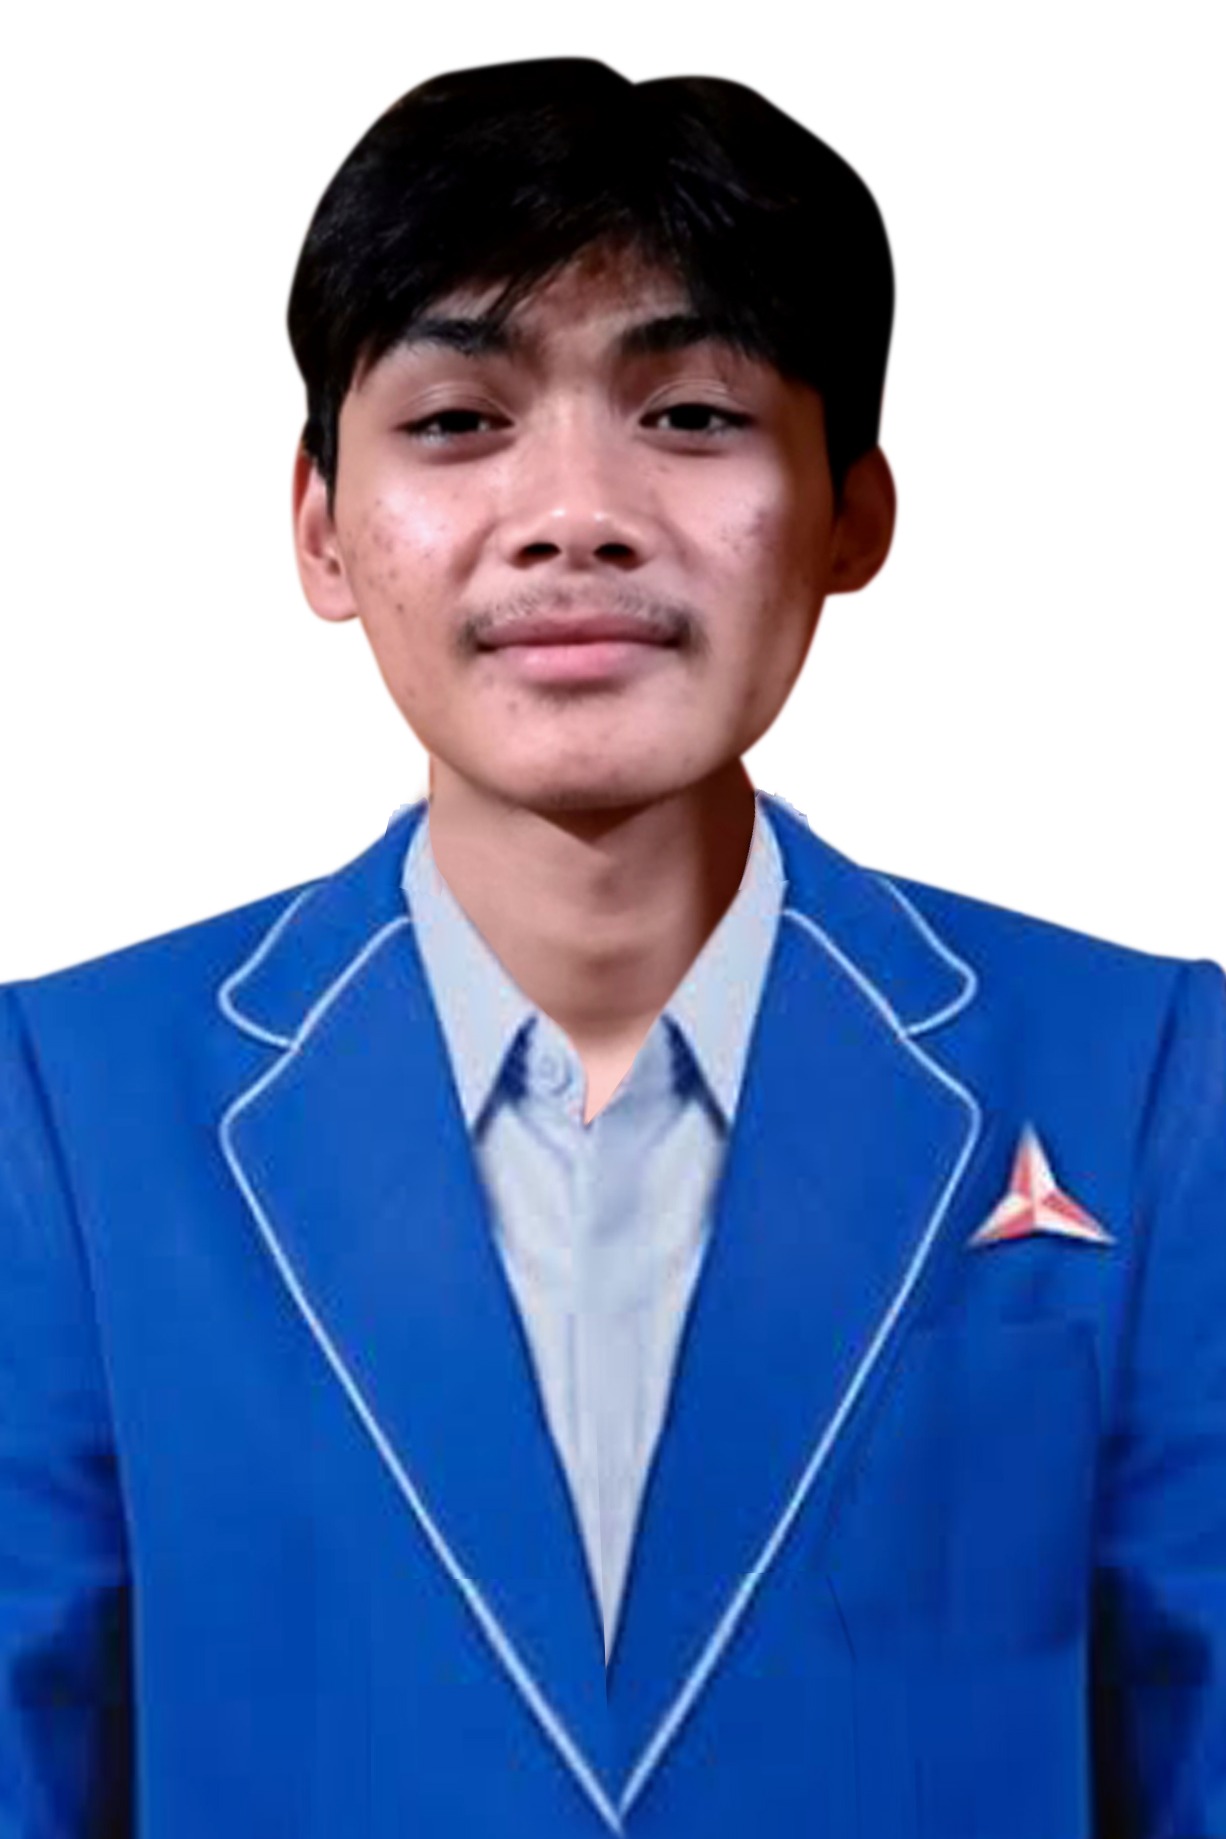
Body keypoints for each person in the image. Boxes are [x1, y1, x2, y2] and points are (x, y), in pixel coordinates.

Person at [0, 53, 1222, 1839]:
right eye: (456, 421)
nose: (573, 513)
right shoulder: (67, 1108)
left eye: (692, 414)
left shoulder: (1147, 1076)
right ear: (321, 526)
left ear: (852, 510)